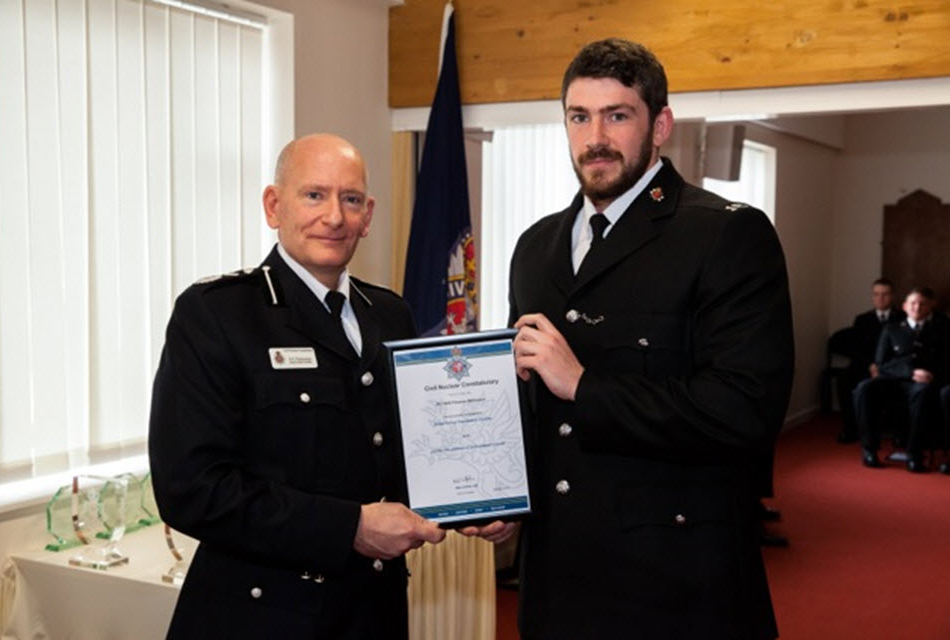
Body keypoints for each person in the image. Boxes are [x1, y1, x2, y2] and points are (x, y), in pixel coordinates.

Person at [465, 39, 794, 639]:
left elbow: (742, 412)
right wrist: (499, 493)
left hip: (672, 584)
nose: (596, 137)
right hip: (556, 582)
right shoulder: (535, 247)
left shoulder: (725, 235)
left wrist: (585, 386)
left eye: (618, 115)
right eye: (579, 116)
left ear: (660, 125)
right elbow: (529, 401)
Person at [149, 134, 445, 639]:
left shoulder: (391, 314)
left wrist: (478, 507)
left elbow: (407, 455)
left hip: (372, 613)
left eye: (350, 199)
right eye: (314, 195)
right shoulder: (218, 314)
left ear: (368, 216)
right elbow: (191, 490)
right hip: (262, 617)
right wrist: (350, 527)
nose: (334, 216)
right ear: (273, 205)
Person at [854, 287, 950, 472]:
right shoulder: (891, 329)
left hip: (925, 383)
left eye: (922, 303)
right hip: (894, 381)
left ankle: (914, 454)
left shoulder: (941, 331)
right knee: (863, 389)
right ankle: (869, 449)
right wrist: (910, 373)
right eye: (913, 303)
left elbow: (947, 362)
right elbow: (881, 363)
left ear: (930, 307)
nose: (917, 307)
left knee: (922, 393)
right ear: (905, 306)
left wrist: (932, 374)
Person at [835, 278, 905, 442]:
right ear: (872, 297)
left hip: (891, 367)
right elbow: (857, 349)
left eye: (885, 294)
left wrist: (884, 368)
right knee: (844, 379)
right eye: (876, 294)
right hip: (866, 366)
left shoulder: (902, 319)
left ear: (892, 296)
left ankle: (899, 432)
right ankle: (850, 429)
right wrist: (871, 366)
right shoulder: (862, 320)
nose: (880, 298)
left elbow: (904, 349)